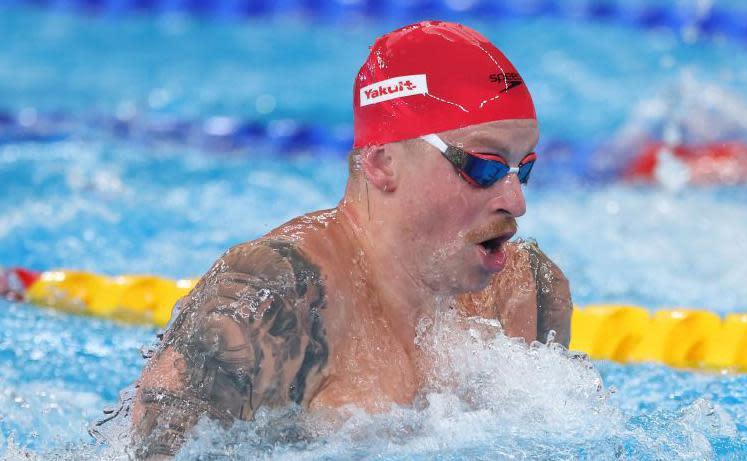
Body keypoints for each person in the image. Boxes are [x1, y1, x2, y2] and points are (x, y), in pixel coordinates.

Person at [127, 20, 572, 458]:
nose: (516, 201)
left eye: (523, 169)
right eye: (485, 167)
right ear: (382, 163)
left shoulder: (526, 291)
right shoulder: (271, 303)